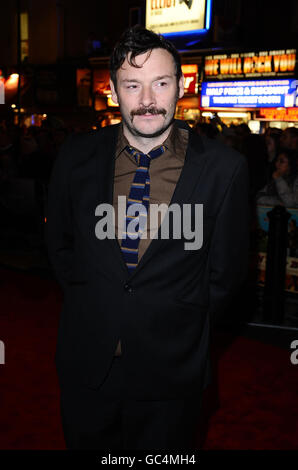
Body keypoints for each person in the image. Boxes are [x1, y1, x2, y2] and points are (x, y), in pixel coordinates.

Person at [46, 26, 249, 450]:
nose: (148, 100)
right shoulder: (75, 156)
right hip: (88, 361)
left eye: (161, 82)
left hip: (172, 369)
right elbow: (61, 248)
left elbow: (226, 274)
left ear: (180, 86)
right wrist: (97, 300)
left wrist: (177, 320)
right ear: (115, 92)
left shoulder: (223, 168)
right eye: (132, 85)